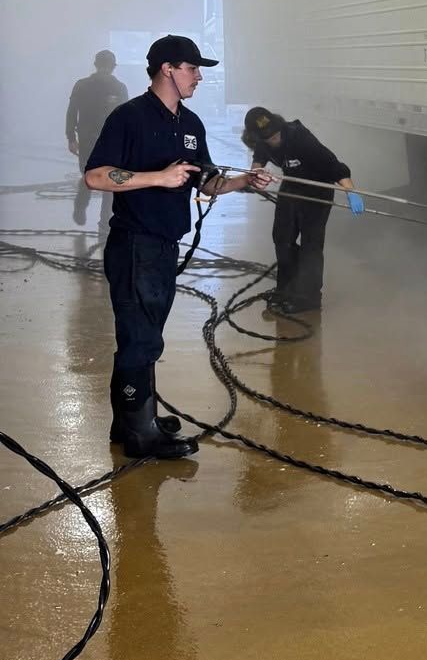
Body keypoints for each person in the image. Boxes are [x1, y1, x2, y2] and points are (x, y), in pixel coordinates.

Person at [82, 35, 270, 460]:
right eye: (192, 68)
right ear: (167, 68)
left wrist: (243, 181)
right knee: (140, 340)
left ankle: (128, 420)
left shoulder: (190, 124)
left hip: (165, 245)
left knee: (145, 337)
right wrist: (157, 178)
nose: (199, 76)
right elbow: (96, 176)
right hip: (134, 243)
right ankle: (141, 433)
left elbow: (206, 181)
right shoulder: (128, 117)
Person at [241, 106, 363, 318]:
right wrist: (257, 169)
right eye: (268, 137)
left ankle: (308, 297)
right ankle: (286, 289)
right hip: (293, 184)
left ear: (279, 125)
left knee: (311, 245)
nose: (274, 139)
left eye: (275, 134)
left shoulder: (300, 137)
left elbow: (333, 164)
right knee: (282, 238)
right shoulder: (263, 141)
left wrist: (350, 191)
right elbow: (260, 156)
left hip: (318, 188)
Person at [65, 49, 128, 227]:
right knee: (109, 179)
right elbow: (126, 117)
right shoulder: (119, 88)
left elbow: (71, 113)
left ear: (95, 65)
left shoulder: (81, 85)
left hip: (89, 139)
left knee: (90, 175)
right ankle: (104, 219)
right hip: (110, 141)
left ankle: (83, 207)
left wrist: (71, 137)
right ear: (113, 67)